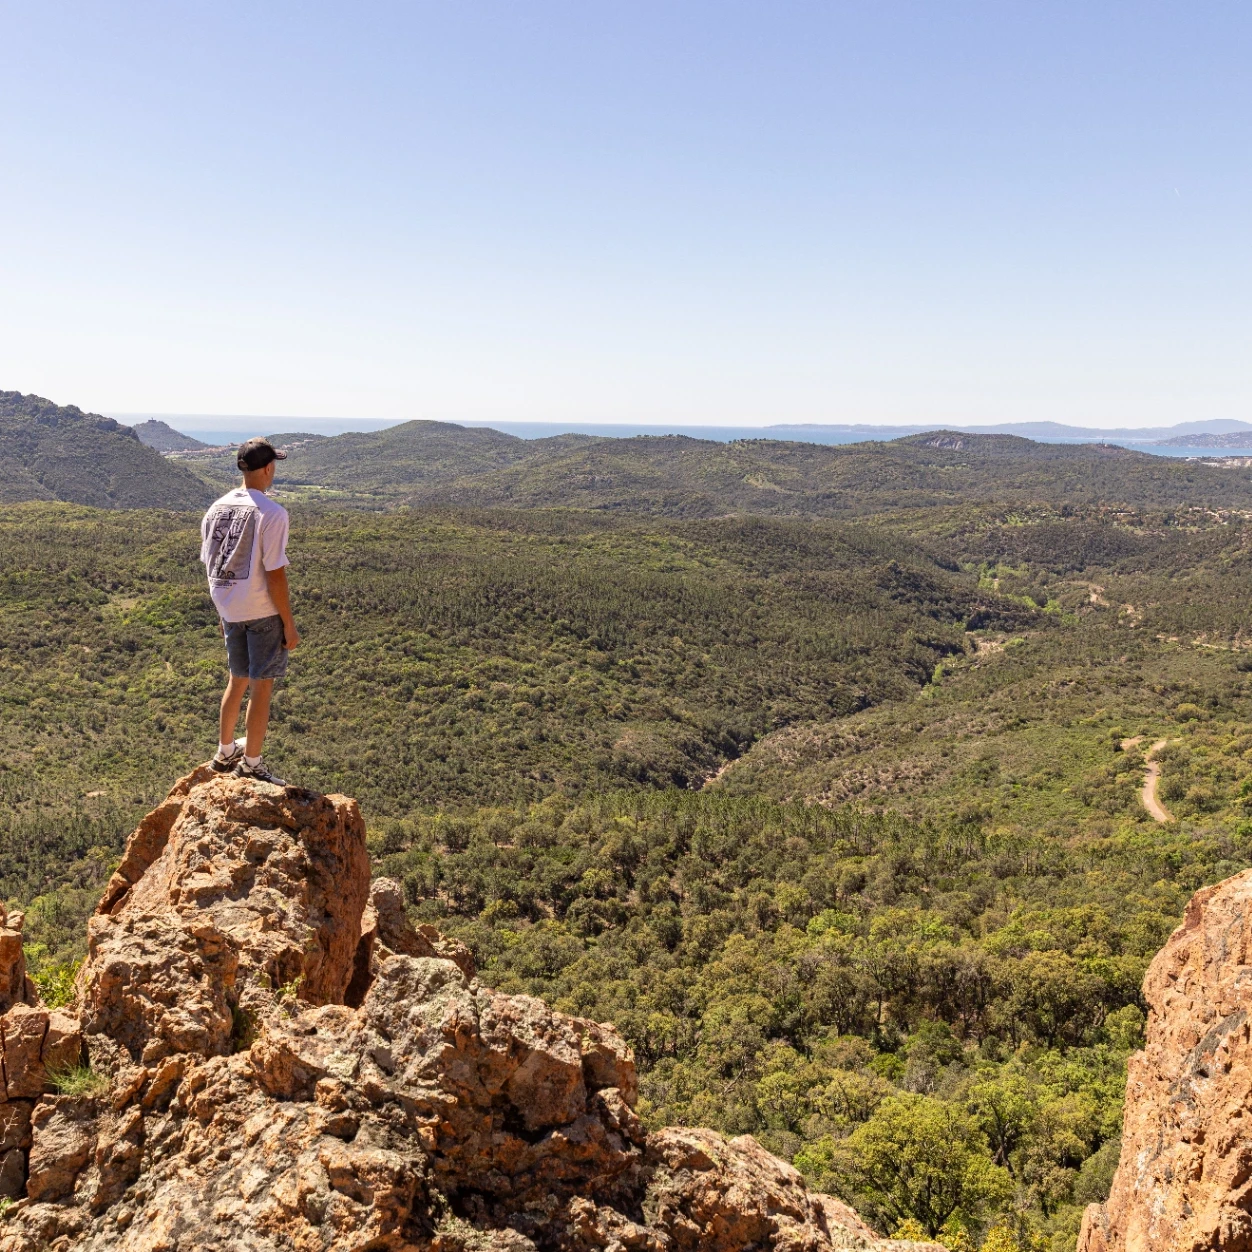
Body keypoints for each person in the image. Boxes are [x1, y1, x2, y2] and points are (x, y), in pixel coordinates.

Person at [199, 437, 300, 785]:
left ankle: (225, 752)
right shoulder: (272, 514)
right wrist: (288, 624)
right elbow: (275, 574)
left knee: (236, 679)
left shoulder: (216, 509)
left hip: (229, 607)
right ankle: (252, 764)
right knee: (262, 686)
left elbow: (211, 564)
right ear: (269, 468)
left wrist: (222, 613)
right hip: (260, 610)